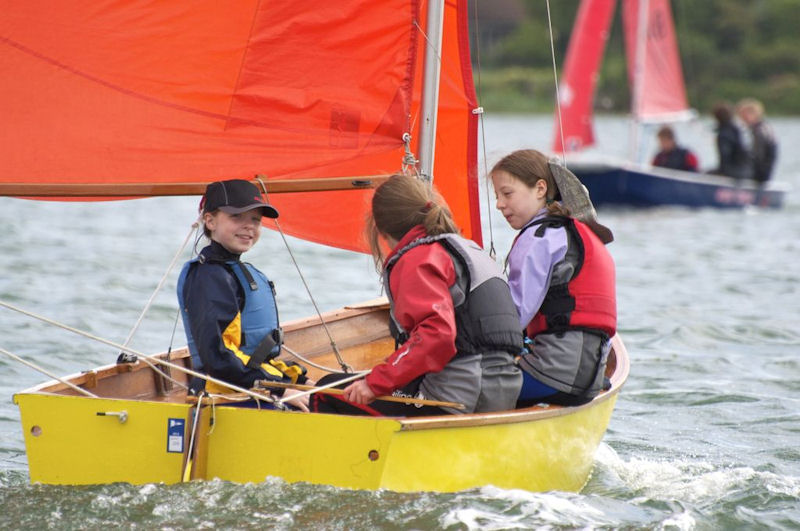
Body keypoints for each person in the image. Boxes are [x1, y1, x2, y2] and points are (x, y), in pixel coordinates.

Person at [312, 174, 523, 416]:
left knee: (325, 390)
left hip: (455, 398)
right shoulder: (470, 249)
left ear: (380, 227)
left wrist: (373, 384)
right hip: (503, 392)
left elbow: (437, 335)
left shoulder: (419, 258)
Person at [490, 149, 616, 407]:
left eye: (507, 193)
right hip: (589, 379)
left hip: (552, 376)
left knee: (454, 384)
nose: (499, 204)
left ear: (539, 189)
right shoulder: (575, 231)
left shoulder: (537, 240)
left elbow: (511, 320)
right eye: (496, 196)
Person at [177, 179, 310, 411]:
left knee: (333, 390)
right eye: (237, 217)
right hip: (226, 394)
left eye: (255, 220)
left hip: (249, 383)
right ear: (210, 221)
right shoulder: (209, 278)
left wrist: (297, 379)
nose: (249, 226)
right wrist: (279, 389)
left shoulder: (230, 272)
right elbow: (219, 359)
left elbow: (253, 356)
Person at [737, 98, 778, 185]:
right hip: (763, 172)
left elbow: (759, 156)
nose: (742, 119)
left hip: (760, 174)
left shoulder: (760, 131)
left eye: (743, 115)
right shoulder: (763, 127)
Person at [710, 102, 750, 180]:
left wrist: (721, 172)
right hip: (747, 171)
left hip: (734, 173)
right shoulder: (738, 130)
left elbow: (725, 157)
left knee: (705, 174)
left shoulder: (724, 135)